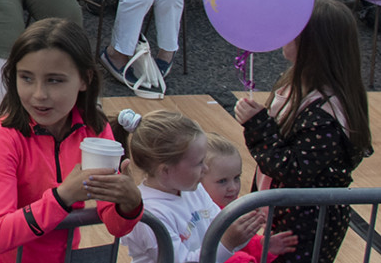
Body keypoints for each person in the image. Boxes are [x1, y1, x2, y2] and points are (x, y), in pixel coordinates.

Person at [0, 17, 143, 263]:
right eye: (26, 78)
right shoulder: (5, 135)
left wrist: (129, 203)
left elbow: (114, 224)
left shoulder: (95, 128)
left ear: (85, 80)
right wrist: (62, 197)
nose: (39, 94)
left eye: (54, 80)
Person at [232, 0, 373, 263]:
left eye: (294, 30)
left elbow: (293, 168)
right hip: (284, 213)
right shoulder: (295, 82)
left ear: (314, 45)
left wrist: (257, 125)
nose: (285, 34)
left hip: (306, 225)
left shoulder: (326, 114)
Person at [122, 111, 296, 263]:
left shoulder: (193, 190)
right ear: (165, 170)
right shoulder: (149, 214)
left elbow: (218, 233)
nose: (205, 169)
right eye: (198, 163)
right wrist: (228, 242)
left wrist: (245, 232)